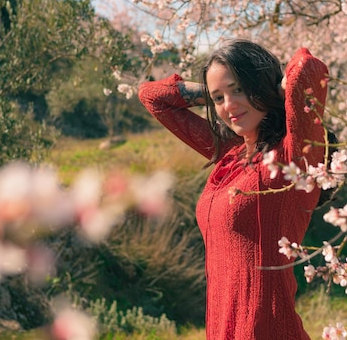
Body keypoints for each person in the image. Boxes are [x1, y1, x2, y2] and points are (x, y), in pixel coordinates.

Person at [138, 39, 329, 340]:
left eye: (238, 89)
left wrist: (272, 89)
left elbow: (307, 68)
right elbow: (151, 96)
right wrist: (213, 92)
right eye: (219, 98)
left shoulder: (292, 157)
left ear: (261, 84)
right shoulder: (229, 152)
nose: (230, 106)